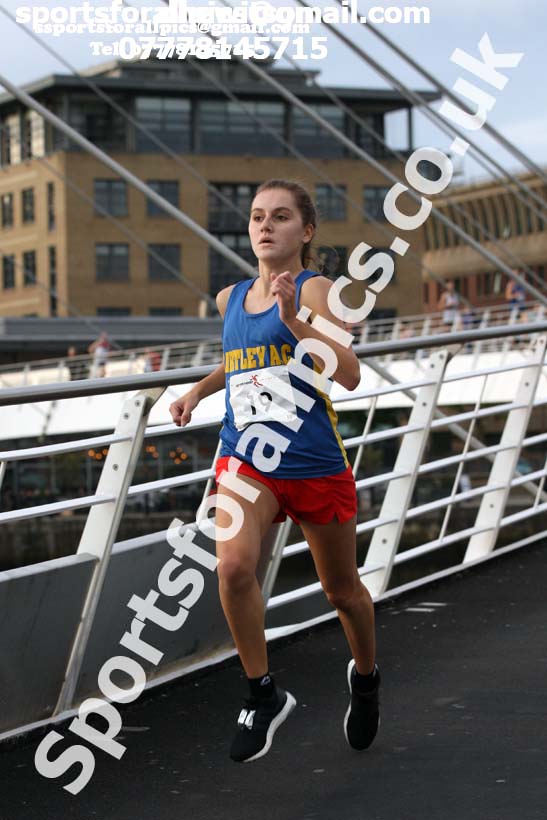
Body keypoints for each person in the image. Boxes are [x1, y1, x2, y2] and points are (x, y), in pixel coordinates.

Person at [169, 179, 380, 764]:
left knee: (343, 592)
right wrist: (197, 391)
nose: (265, 226)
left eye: (280, 217)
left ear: (305, 231)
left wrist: (294, 319)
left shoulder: (318, 290)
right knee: (233, 566)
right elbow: (241, 359)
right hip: (246, 458)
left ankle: (365, 678)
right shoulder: (228, 297)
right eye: (258, 217)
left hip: (312, 462)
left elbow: (350, 373)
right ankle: (262, 694)